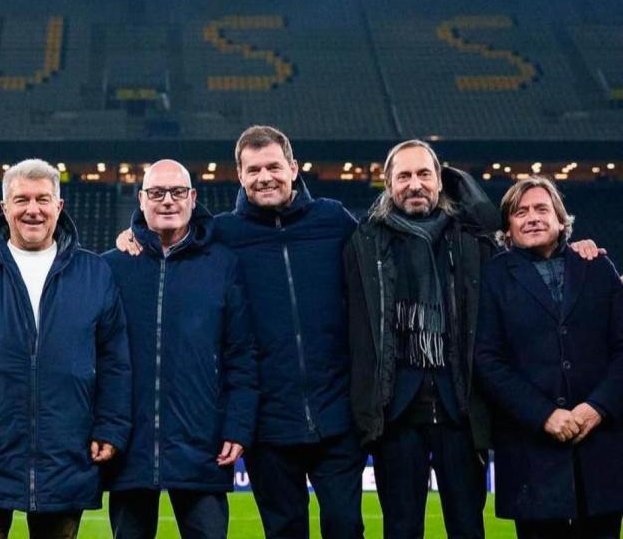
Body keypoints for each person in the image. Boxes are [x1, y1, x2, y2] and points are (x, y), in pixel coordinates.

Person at [120, 126, 365, 538]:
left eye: (273, 166)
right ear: (240, 175)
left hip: (336, 413)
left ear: (293, 167)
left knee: (345, 527)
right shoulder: (224, 234)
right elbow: (171, 225)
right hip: (268, 422)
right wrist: (132, 234)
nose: (264, 176)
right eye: (254, 169)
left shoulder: (333, 220)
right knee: (284, 530)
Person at [0, 158, 131, 539]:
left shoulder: (94, 272)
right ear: (5, 207)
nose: (33, 210)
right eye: (21, 199)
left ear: (59, 205)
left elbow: (115, 360)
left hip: (65, 454)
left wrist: (111, 426)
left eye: (43, 199)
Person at [345, 140, 500, 539]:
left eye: (424, 174)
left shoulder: (470, 238)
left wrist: (579, 247)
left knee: (468, 527)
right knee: (401, 528)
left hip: (459, 407)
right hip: (395, 409)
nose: (415, 185)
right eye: (404, 176)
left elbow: (526, 249)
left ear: (440, 180)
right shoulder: (364, 242)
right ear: (387, 183)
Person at [102, 160, 257, 539]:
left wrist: (237, 424)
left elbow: (241, 355)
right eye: (156, 193)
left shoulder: (222, 265)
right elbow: (97, 357)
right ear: (141, 200)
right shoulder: (112, 266)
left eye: (177, 192)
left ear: (193, 198)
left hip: (201, 446)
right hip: (129, 449)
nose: (167, 201)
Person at [476, 176, 623, 538]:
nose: (532, 218)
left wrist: (597, 407)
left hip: (601, 451)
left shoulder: (598, 267)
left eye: (542, 209)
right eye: (520, 212)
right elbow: (488, 360)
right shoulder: (493, 277)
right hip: (531, 450)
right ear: (507, 228)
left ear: (562, 221)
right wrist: (544, 415)